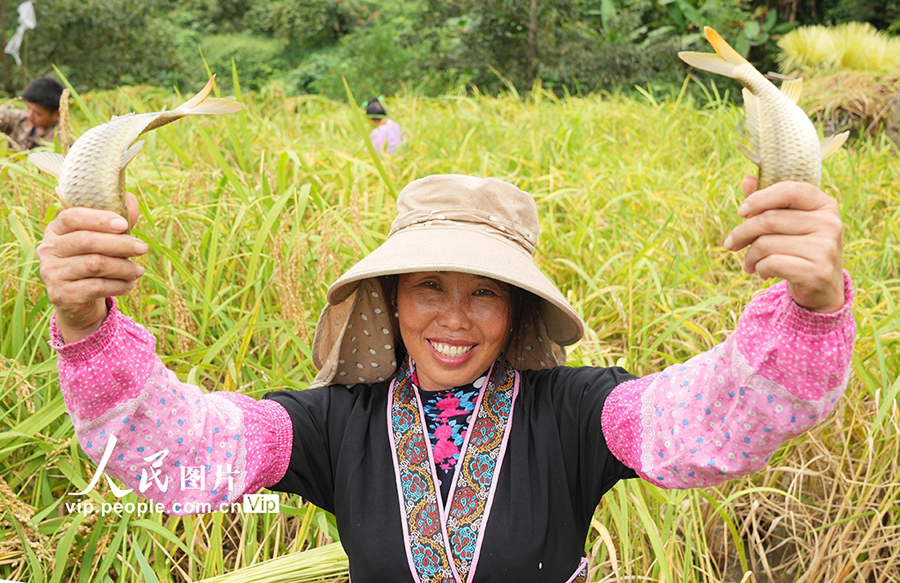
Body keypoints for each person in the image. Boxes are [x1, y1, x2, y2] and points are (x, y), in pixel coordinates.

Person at [37, 173, 854, 582]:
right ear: (392, 302)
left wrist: (810, 306)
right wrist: (85, 322)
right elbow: (179, 453)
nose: (454, 318)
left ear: (518, 311)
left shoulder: (578, 411)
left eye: (485, 292)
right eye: (430, 286)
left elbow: (714, 421)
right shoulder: (331, 422)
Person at [0, 76, 64, 151]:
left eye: (38, 113)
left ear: (57, 114)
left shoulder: (61, 141)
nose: (29, 115)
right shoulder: (21, 118)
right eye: (28, 107)